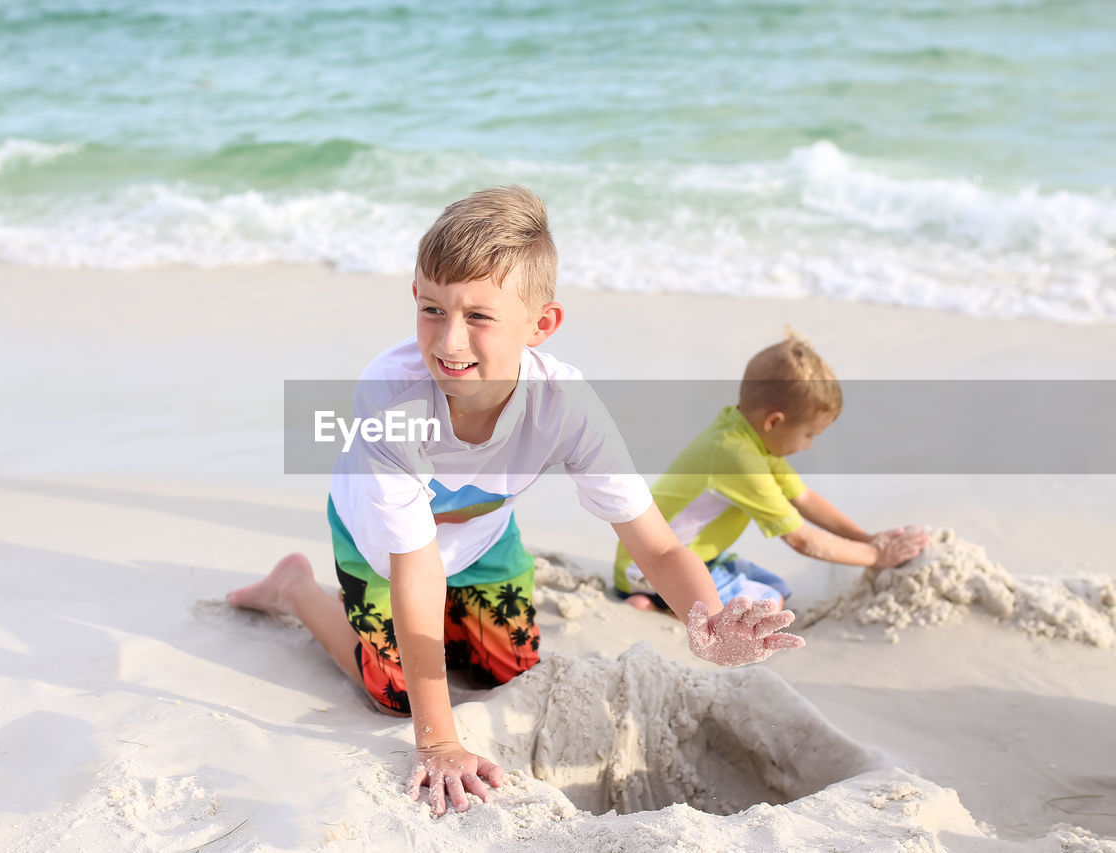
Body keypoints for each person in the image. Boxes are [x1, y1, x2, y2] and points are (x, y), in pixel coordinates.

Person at [227, 186, 803, 817]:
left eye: (478, 316)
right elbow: (414, 565)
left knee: (509, 669)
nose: (448, 341)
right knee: (397, 694)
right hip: (382, 546)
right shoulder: (390, 399)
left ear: (540, 325)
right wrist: (439, 740)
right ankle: (297, 591)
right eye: (431, 309)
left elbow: (658, 544)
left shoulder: (565, 409)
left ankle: (432, 621)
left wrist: (708, 619)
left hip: (482, 539)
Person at [614, 329, 929, 612]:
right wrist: (877, 558)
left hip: (684, 556)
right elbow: (801, 540)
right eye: (809, 435)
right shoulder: (737, 460)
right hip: (651, 566)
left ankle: (659, 599)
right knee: (768, 604)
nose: (809, 446)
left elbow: (803, 498)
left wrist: (867, 539)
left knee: (777, 587)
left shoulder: (744, 433)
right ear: (774, 421)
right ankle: (653, 601)